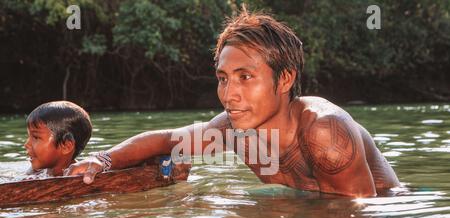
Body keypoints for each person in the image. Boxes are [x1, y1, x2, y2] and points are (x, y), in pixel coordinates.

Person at [65, 9, 400, 197]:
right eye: (223, 78)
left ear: (284, 79)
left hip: (392, 214)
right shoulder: (235, 127)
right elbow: (167, 140)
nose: (229, 94)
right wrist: (103, 160)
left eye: (245, 77)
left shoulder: (325, 133)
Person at [25, 101, 92, 177]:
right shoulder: (38, 172)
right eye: (29, 136)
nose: (26, 144)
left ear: (66, 146)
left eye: (36, 137)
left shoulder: (78, 179)